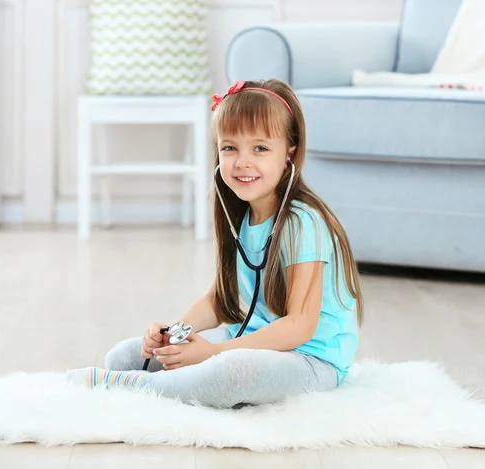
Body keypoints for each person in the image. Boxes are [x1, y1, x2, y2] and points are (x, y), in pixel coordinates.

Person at [67, 79, 364, 409]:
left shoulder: (303, 223)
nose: (242, 162)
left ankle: (136, 389)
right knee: (124, 355)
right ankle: (145, 382)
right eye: (230, 147)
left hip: (310, 360)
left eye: (260, 148)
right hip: (248, 338)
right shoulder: (242, 216)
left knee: (232, 372)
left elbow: (299, 326)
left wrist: (213, 353)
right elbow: (220, 300)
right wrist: (173, 332)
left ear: (289, 152)